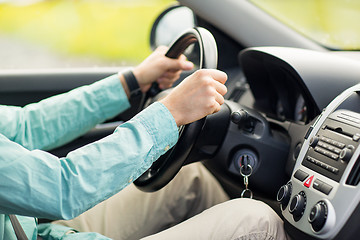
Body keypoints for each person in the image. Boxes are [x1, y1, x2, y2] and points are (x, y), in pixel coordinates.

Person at [0, 46, 288, 240]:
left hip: (34, 230)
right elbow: (62, 189)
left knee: (188, 176)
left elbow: (24, 126)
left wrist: (130, 83)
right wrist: (169, 112)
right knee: (258, 221)